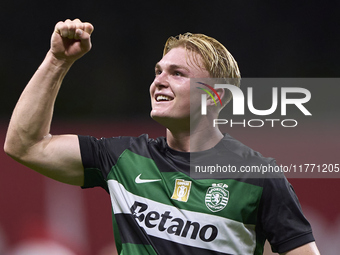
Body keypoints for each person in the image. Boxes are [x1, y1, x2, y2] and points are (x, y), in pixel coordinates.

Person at [4, 19, 320, 255]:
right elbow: (25, 144)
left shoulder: (258, 177)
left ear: (216, 97)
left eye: (177, 74)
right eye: (158, 71)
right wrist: (58, 61)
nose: (159, 82)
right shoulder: (123, 158)